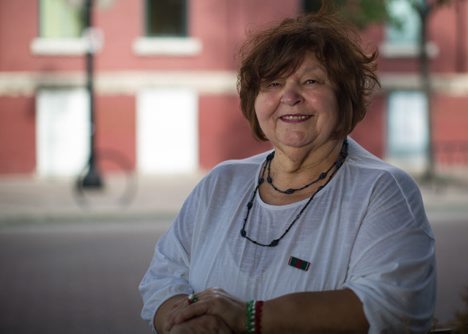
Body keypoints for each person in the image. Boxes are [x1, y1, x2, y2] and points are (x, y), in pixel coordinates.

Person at [139, 10, 436, 334]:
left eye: (310, 81)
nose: (290, 97)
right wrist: (178, 321)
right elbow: (163, 278)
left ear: (344, 96)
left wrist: (249, 317)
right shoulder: (221, 183)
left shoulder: (382, 190)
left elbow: (389, 307)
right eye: (274, 83)